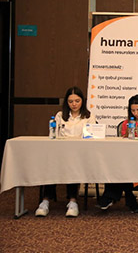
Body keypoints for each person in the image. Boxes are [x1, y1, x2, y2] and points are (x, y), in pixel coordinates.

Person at [35, 86, 96, 217]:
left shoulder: (89, 116)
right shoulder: (60, 116)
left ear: (82, 101)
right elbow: (54, 135)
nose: (74, 104)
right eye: (70, 101)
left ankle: (73, 201)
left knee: (72, 163)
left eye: (77, 101)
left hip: (80, 155)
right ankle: (45, 201)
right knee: (51, 163)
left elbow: (92, 138)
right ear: (66, 102)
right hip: (60, 153)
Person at [98, 94, 138, 213]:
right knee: (116, 165)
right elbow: (122, 143)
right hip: (127, 157)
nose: (136, 113)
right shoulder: (126, 124)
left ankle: (110, 196)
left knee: (122, 167)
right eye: (133, 110)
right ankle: (130, 198)